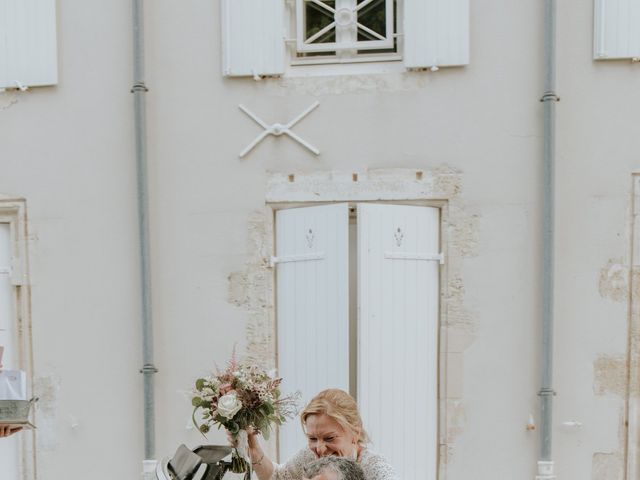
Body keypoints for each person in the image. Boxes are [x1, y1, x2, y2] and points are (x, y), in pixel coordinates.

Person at [245, 388, 397, 480]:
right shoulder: (310, 456)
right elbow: (278, 477)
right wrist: (254, 450)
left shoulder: (377, 469)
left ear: (355, 433)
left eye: (329, 438)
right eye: (312, 438)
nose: (320, 449)